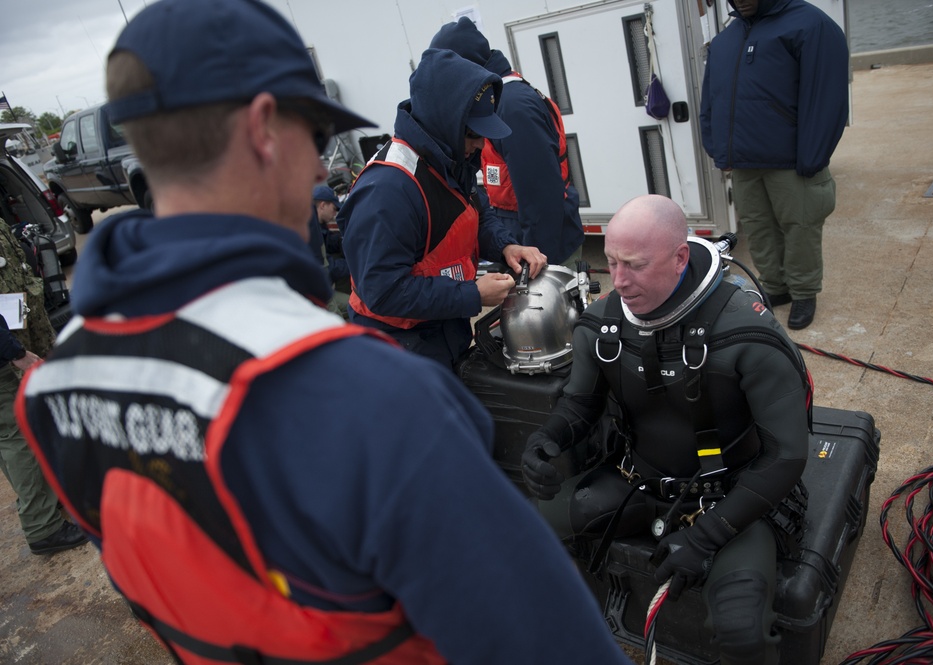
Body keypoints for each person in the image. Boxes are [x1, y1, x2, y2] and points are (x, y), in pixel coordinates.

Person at [14, 2, 634, 664]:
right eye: (314, 133)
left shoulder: (54, 392)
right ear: (262, 130)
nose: (320, 171)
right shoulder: (379, 405)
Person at [520, 194, 811, 665]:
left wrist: (705, 536)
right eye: (610, 262)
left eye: (634, 265)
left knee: (740, 631)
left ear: (680, 257)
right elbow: (580, 403)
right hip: (638, 478)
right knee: (520, 534)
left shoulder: (744, 334)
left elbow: (788, 456)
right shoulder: (605, 323)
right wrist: (545, 440)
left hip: (733, 497)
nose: (617, 280)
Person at [338, 47, 547, 370]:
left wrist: (507, 245)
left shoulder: (451, 159)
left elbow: (476, 215)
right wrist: (472, 295)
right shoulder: (387, 191)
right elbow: (382, 291)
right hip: (399, 350)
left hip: (443, 331)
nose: (481, 145)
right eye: (474, 133)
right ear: (445, 121)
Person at [699, 0, 849, 330]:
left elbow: (828, 97)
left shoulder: (810, 25)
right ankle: (777, 287)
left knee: (800, 225)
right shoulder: (726, 39)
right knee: (757, 226)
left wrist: (813, 154)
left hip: (791, 159)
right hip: (744, 161)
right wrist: (719, 149)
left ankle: (804, 292)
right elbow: (712, 97)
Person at [429, 17, 585, 268]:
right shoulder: (495, 98)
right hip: (517, 232)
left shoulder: (512, 107)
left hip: (543, 245)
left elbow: (541, 200)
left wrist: (534, 269)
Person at [0, 222, 86, 555]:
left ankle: (48, 499)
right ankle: (42, 526)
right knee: (15, 437)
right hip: (7, 352)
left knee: (16, 434)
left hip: (16, 332)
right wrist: (15, 352)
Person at [311, 183, 351, 317]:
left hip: (321, 287)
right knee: (354, 308)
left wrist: (342, 240)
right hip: (318, 292)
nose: (335, 214)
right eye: (334, 209)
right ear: (322, 205)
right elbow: (327, 266)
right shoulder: (311, 229)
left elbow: (329, 242)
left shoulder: (318, 225)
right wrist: (354, 265)